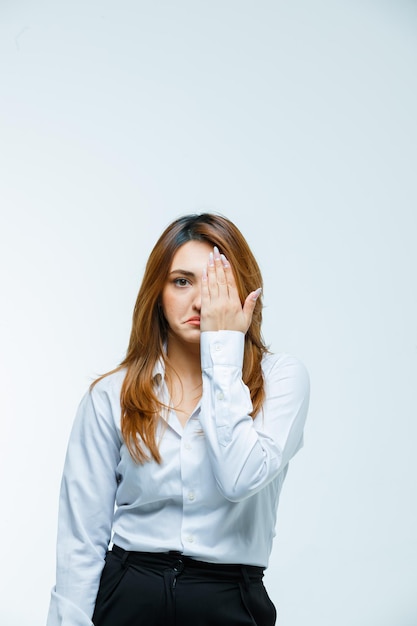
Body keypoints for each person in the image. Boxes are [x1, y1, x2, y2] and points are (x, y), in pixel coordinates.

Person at [47, 212, 310, 626]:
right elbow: (81, 541)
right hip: (128, 594)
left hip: (229, 599)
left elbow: (240, 478)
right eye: (182, 281)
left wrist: (223, 349)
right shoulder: (111, 394)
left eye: (216, 282)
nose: (201, 301)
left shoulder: (281, 380)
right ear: (158, 290)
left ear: (244, 292)